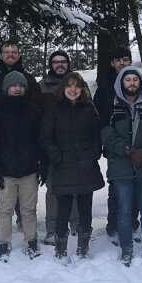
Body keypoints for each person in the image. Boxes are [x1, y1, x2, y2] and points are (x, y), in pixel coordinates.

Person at [100, 66, 142, 266]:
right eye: (127, 80)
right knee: (124, 210)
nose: (131, 83)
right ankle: (126, 248)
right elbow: (106, 134)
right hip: (121, 166)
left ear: (141, 83)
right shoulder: (111, 107)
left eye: (134, 80)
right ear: (121, 83)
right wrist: (127, 150)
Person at [40, 72, 105, 259]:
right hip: (63, 166)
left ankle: (82, 247)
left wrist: (94, 153)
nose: (73, 89)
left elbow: (95, 134)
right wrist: (56, 157)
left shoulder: (88, 108)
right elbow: (46, 137)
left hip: (86, 166)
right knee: (63, 209)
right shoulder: (54, 109)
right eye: (69, 86)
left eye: (77, 86)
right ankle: (60, 248)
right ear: (63, 88)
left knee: (85, 209)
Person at [0, 39, 38, 236]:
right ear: (0, 55)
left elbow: (35, 111)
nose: (10, 54)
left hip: (23, 142)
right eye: (6, 51)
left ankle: (22, 218)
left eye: (14, 51)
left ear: (19, 54)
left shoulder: (29, 80)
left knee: (24, 183)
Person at [0, 71, 43, 262]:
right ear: (6, 88)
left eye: (20, 86)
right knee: (4, 210)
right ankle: (3, 244)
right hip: (6, 173)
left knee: (28, 210)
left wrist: (42, 164)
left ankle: (32, 242)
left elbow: (39, 141)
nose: (17, 89)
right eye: (13, 86)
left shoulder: (32, 112)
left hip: (29, 171)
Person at [31, 49, 81, 245]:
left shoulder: (79, 84)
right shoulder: (41, 86)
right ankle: (52, 228)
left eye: (63, 61)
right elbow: (35, 118)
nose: (60, 65)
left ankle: (76, 225)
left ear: (68, 64)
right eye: (56, 62)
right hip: (51, 147)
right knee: (53, 189)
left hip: (77, 148)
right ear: (51, 65)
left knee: (77, 187)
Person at [93, 46, 138, 240]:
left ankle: (132, 221)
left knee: (136, 183)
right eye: (118, 60)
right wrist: (107, 138)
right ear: (112, 63)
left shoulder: (137, 82)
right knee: (117, 185)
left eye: (125, 59)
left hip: (136, 142)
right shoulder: (105, 86)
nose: (122, 63)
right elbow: (99, 115)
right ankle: (113, 223)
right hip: (113, 142)